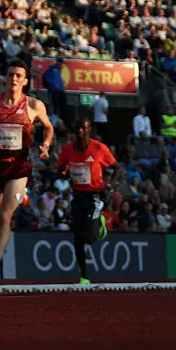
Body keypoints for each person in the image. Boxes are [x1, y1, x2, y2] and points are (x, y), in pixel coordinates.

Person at [0, 60, 53, 285]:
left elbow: (48, 127)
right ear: (5, 78)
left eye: (19, 76)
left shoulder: (34, 105)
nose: (14, 79)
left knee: (6, 216)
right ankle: (4, 234)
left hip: (18, 167)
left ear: (25, 81)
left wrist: (45, 144)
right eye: (10, 75)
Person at [56, 116, 116, 284]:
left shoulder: (99, 148)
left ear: (90, 130)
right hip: (78, 195)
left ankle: (101, 224)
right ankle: (84, 275)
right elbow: (61, 168)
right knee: (77, 238)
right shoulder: (68, 149)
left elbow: (117, 167)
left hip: (95, 195)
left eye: (84, 128)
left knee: (89, 238)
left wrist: (109, 186)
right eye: (78, 128)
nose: (80, 131)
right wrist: (63, 173)